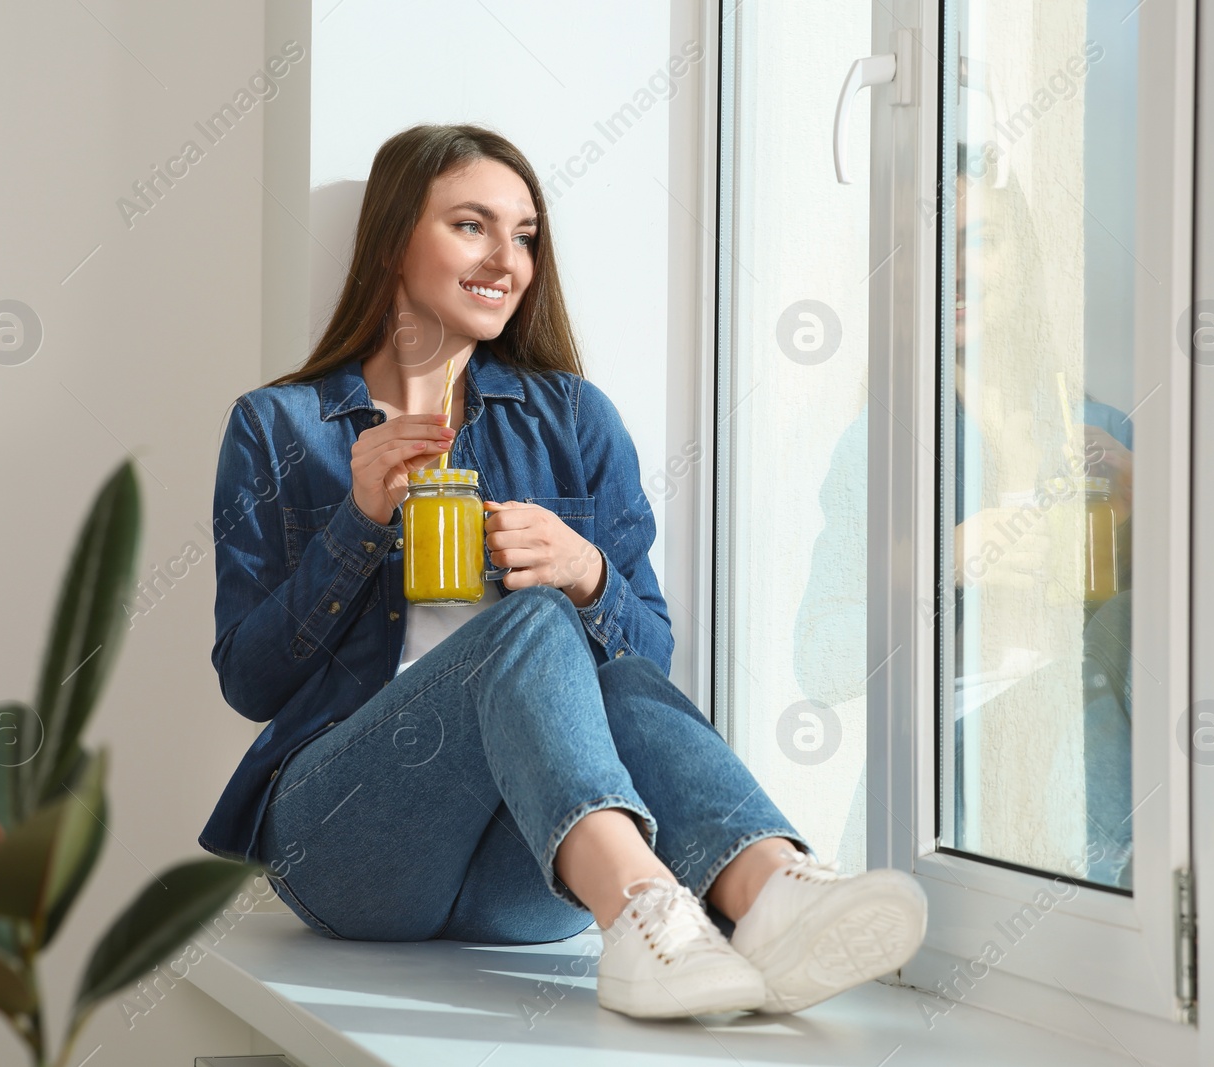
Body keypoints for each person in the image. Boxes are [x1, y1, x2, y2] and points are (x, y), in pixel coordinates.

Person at [195, 123, 927, 1020]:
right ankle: (652, 911)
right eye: (473, 226)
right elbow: (250, 679)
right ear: (393, 240)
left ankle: (770, 891)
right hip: (351, 841)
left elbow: (645, 663)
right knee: (535, 624)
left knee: (590, 655)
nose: (510, 258)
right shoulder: (280, 426)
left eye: (527, 235)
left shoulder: (575, 418)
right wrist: (358, 522)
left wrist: (587, 573)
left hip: (530, 865)